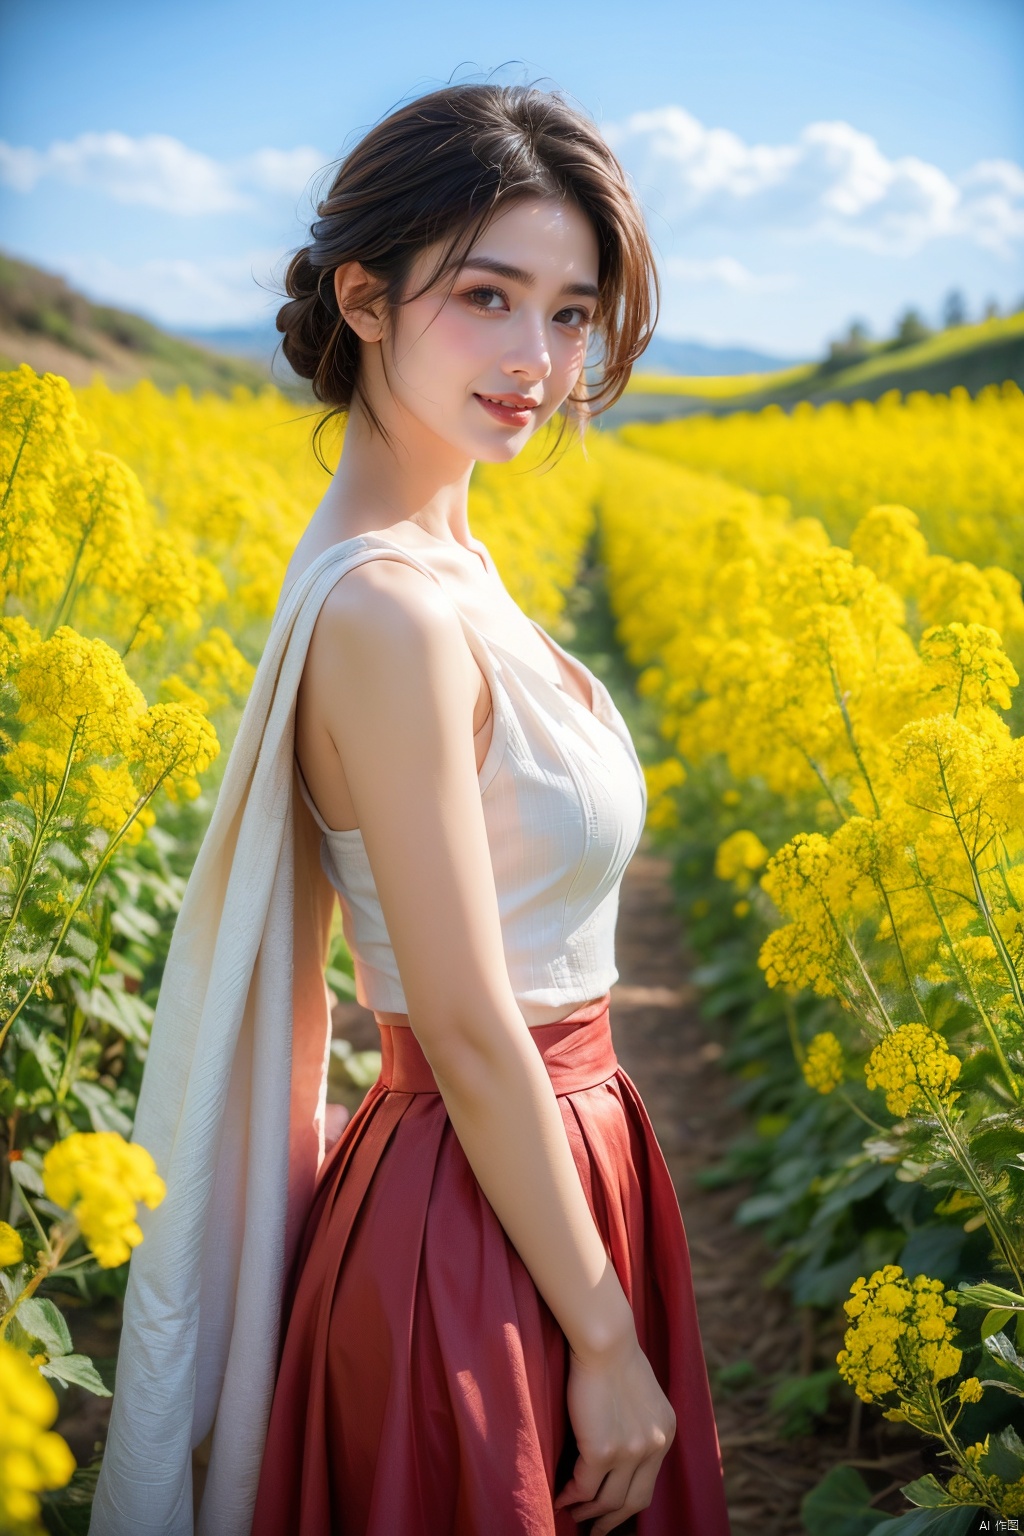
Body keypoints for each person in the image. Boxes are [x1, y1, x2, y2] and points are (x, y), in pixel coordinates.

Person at [90, 82, 729, 1536]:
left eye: (573, 313)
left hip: (548, 1161)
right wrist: (605, 1336)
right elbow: (460, 1020)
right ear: (366, 299)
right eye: (489, 295)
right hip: (473, 1208)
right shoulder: (388, 609)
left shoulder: (451, 563)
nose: (538, 359)